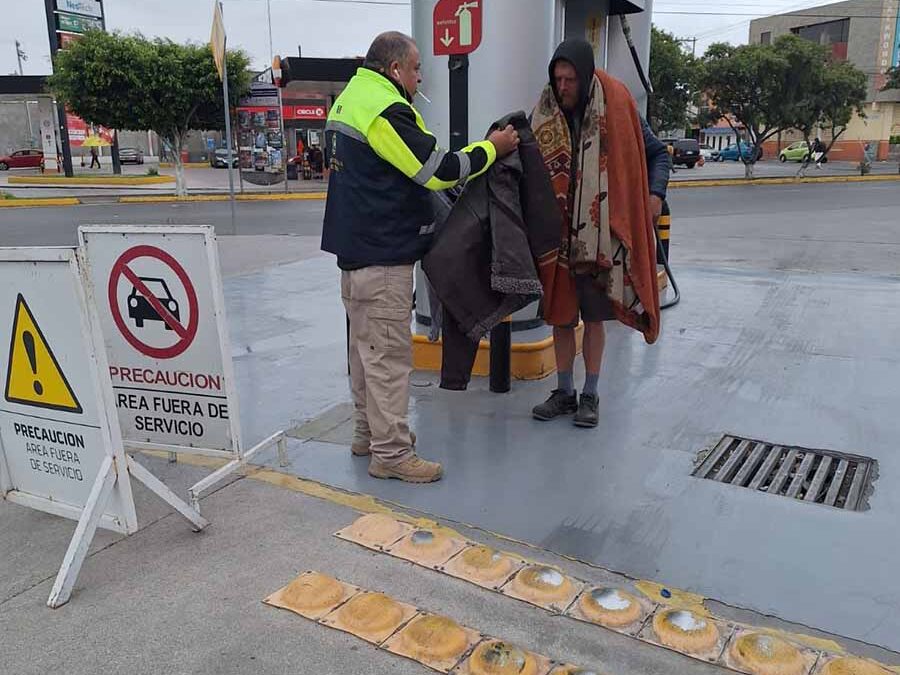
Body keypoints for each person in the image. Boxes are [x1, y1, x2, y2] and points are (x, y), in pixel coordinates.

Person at [320, 31, 520, 483]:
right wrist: (493, 149)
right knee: (389, 359)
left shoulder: (349, 100)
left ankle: (365, 433)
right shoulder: (387, 108)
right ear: (395, 69)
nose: (418, 78)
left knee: (363, 353)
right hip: (383, 256)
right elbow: (438, 170)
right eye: (415, 70)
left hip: (352, 257)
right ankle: (390, 455)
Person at [531, 39, 670, 428]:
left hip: (599, 234)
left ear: (586, 75)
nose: (562, 87)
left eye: (570, 79)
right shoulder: (545, 109)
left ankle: (590, 394)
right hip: (558, 236)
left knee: (593, 317)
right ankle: (564, 392)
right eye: (557, 79)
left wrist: (655, 195)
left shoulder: (619, 104)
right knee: (559, 317)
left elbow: (658, 154)